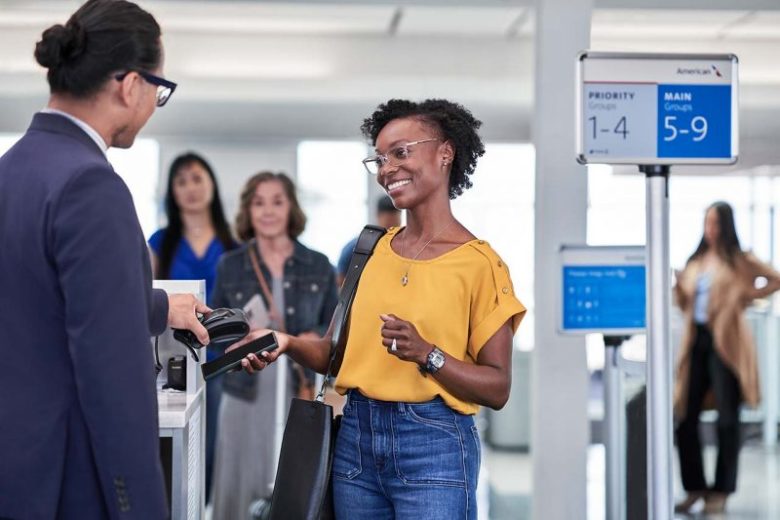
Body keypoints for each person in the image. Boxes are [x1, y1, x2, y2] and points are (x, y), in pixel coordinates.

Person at [236, 99, 526, 519]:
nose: (387, 168)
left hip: (435, 445)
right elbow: (335, 354)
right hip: (356, 440)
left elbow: (497, 388)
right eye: (379, 158)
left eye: (401, 152)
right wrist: (285, 342)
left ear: (445, 152)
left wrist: (428, 354)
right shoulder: (369, 250)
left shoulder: (480, 265)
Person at [0, 1, 211, 518]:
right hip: (66, 482)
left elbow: (38, 299)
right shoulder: (91, 186)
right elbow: (115, 382)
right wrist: (138, 505)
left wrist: (159, 306)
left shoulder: (12, 170)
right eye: (159, 90)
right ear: (128, 84)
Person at [210, 172, 338, 519]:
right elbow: (215, 335)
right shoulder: (230, 266)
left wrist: (309, 338)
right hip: (245, 391)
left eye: (277, 201)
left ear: (291, 208)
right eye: (259, 202)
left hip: (298, 388)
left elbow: (337, 336)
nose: (268, 211)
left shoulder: (320, 265)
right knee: (241, 481)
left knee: (293, 483)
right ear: (248, 211)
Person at [673, 201, 780, 514]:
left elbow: (774, 278)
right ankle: (695, 487)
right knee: (684, 418)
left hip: (727, 345)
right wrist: (679, 285)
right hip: (697, 343)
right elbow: (684, 303)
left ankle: (721, 491)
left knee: (727, 421)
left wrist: (745, 296)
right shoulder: (696, 262)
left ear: (727, 226)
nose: (711, 229)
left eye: (717, 223)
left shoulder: (739, 260)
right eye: (708, 222)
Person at [147, 151, 236, 502]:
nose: (190, 188)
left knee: (216, 442)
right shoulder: (159, 243)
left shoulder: (233, 245)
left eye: (197, 178)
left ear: (212, 184)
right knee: (175, 438)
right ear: (172, 192)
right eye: (181, 181)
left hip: (222, 357)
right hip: (174, 357)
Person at [336, 195, 401, 286]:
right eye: (389, 221)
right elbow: (340, 278)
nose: (392, 227)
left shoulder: (404, 246)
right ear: (378, 216)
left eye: (396, 220)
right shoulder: (357, 245)